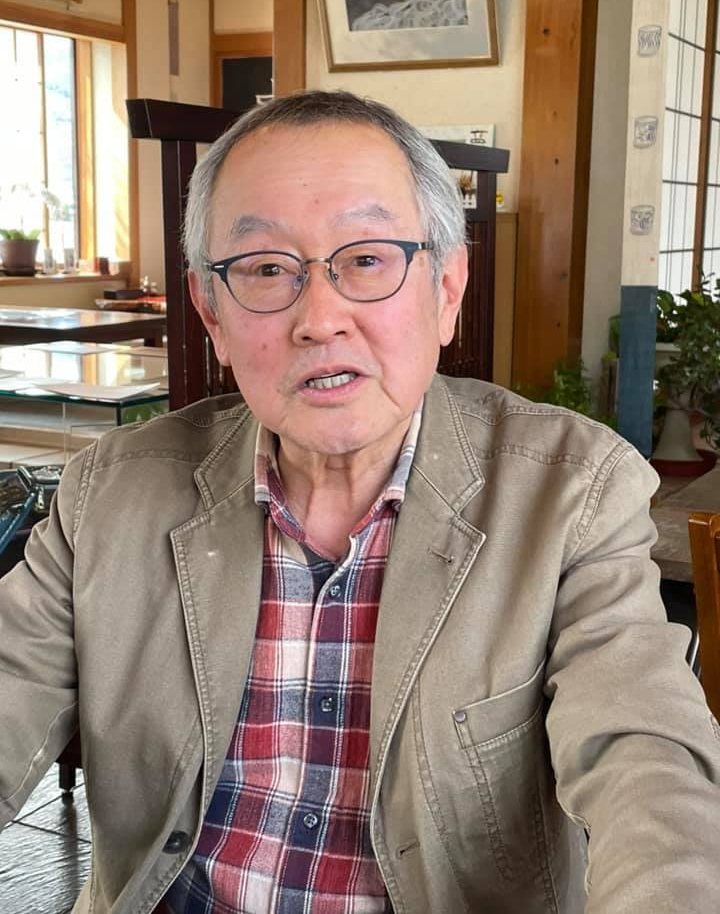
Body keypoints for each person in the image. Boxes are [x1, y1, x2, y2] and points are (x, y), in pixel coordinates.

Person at [1, 90, 719, 914]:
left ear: (447, 289)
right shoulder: (112, 491)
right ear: (212, 314)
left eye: (368, 259)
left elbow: (646, 758)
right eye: (266, 268)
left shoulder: (572, 491)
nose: (320, 318)